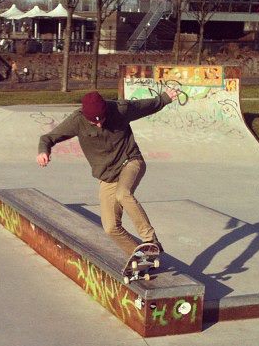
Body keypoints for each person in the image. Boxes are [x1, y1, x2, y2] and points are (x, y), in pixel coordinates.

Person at [37, 88, 180, 257]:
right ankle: (142, 256)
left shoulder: (120, 109)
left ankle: (151, 241)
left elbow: (145, 106)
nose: (99, 125)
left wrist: (164, 98)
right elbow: (47, 138)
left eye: (102, 119)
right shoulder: (77, 120)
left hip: (131, 162)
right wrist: (43, 151)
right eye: (93, 123)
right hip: (107, 176)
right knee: (110, 227)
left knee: (123, 194)